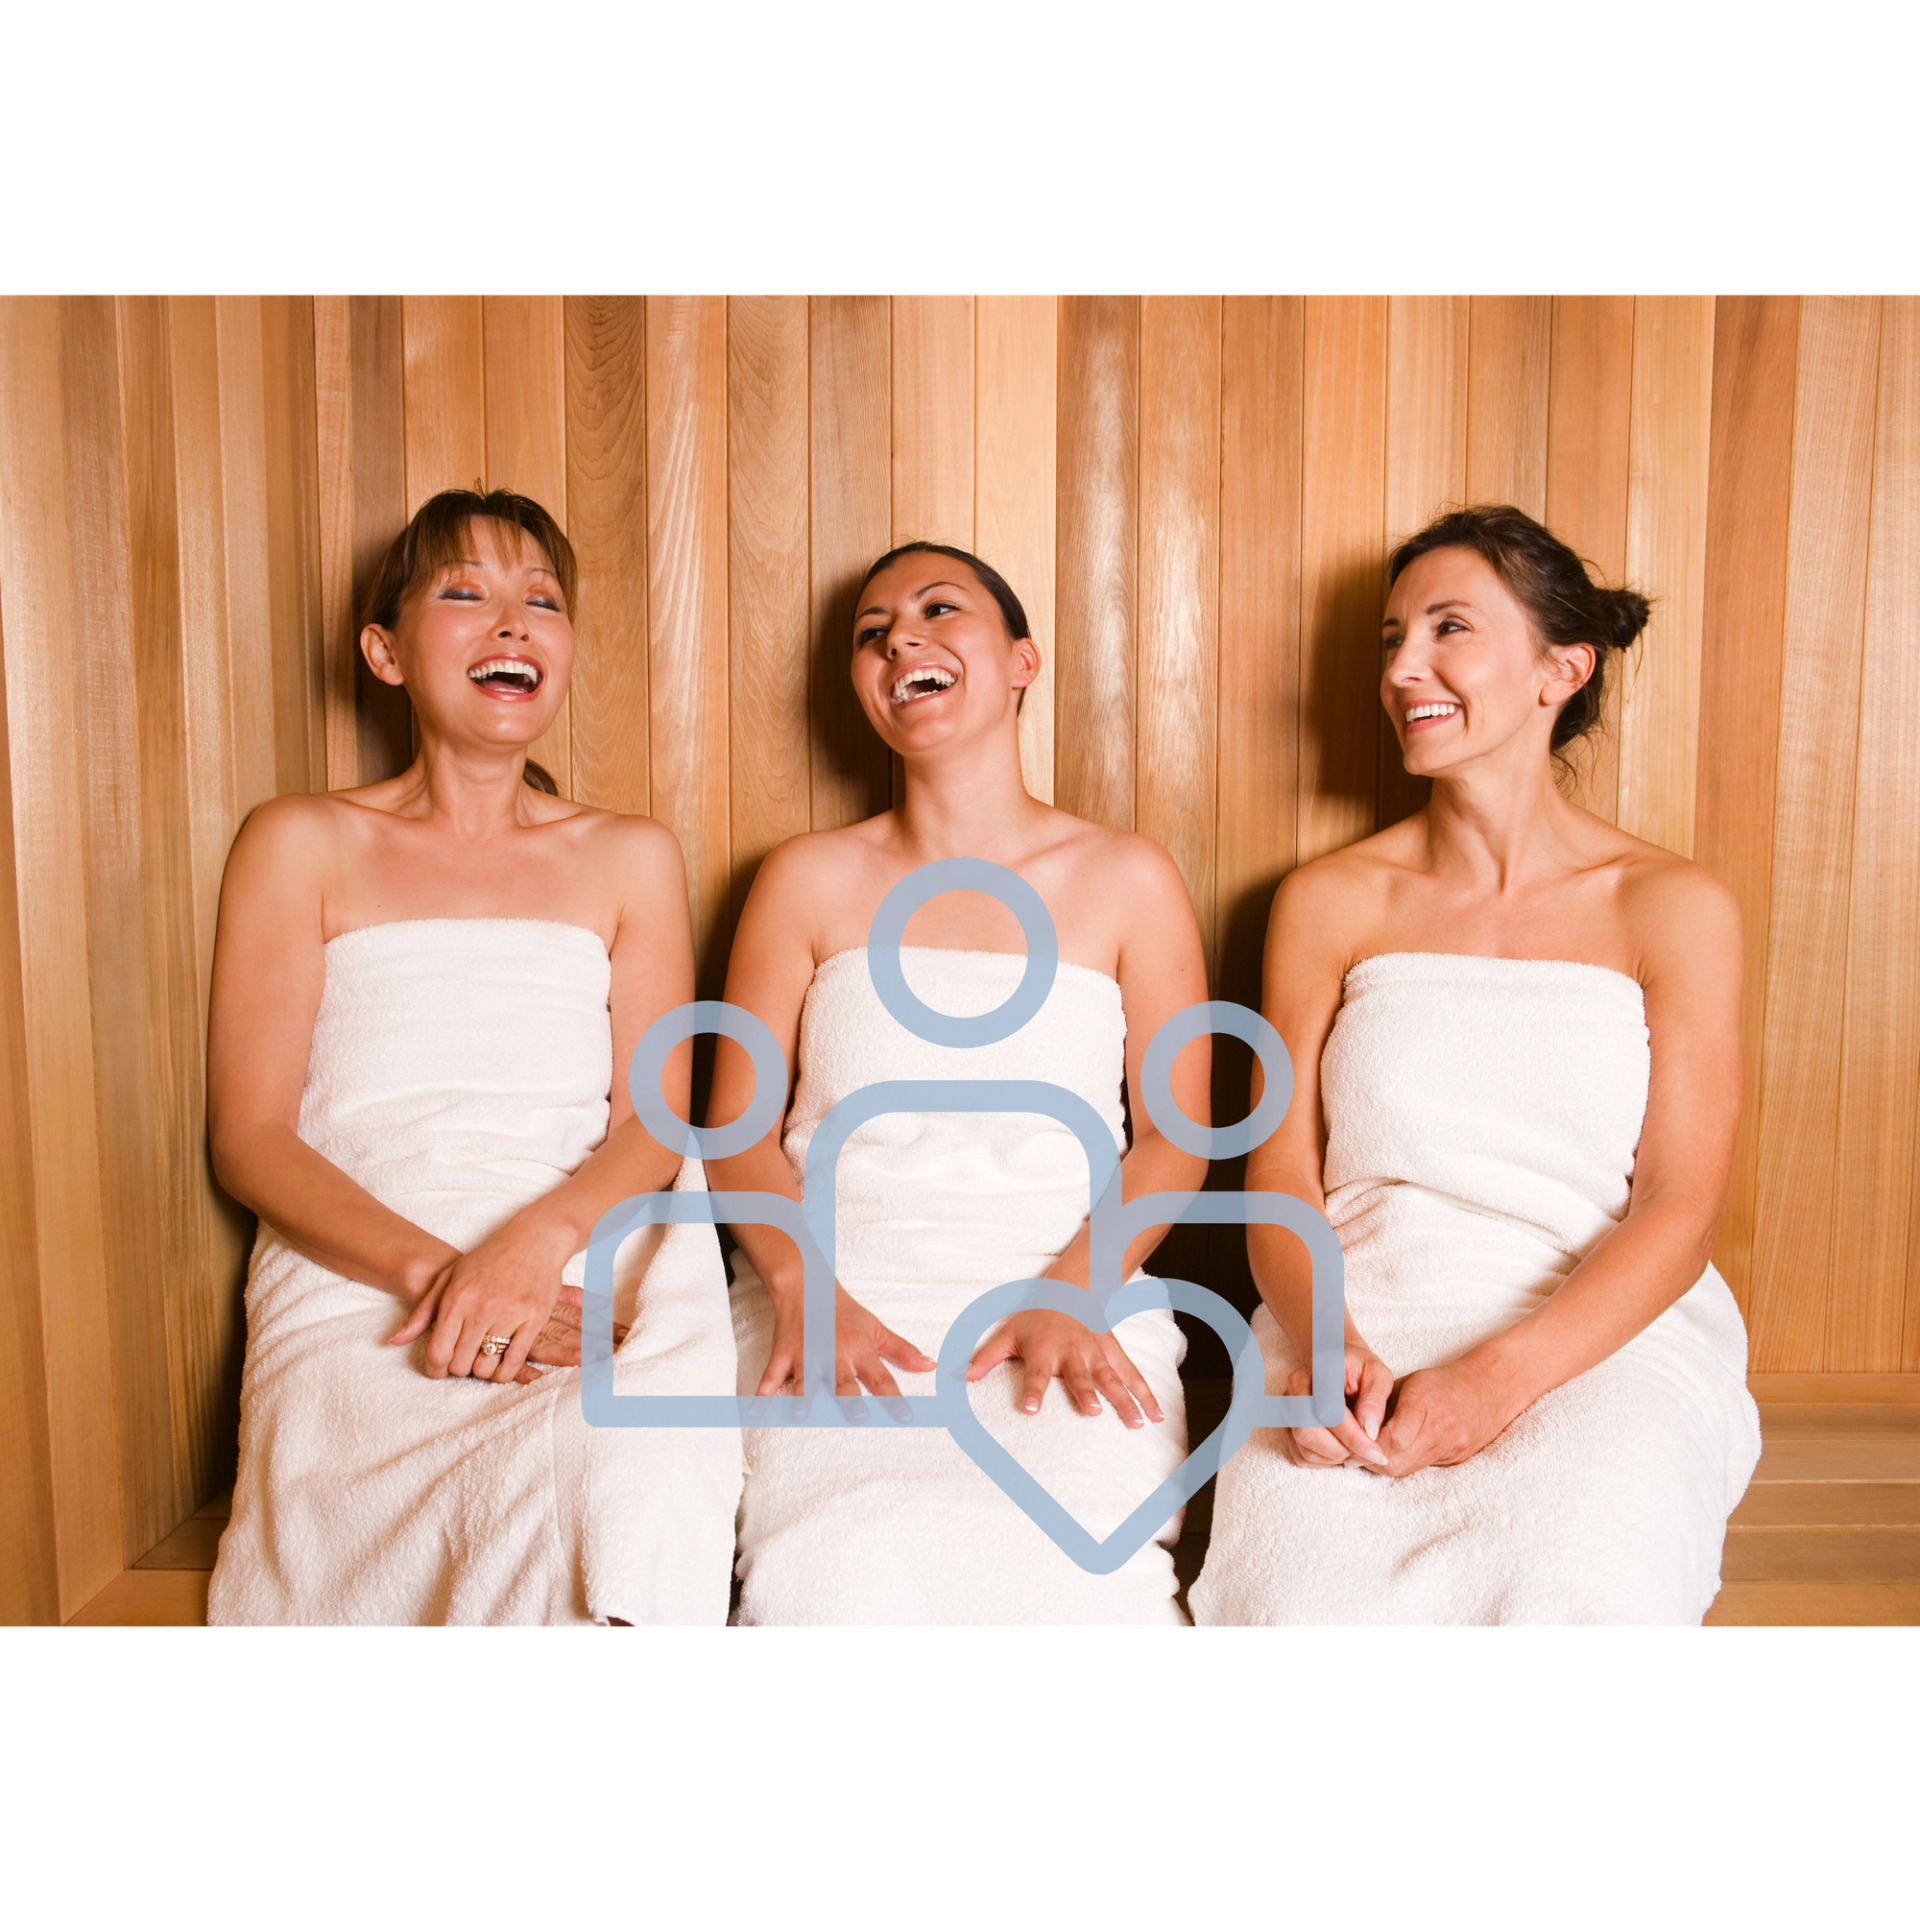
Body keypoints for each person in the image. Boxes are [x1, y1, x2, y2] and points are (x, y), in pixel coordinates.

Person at [1191, 505, 1761, 1631]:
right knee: (1298, 1604)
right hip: (1354, 1312)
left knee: (1576, 1587)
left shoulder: (1671, 907)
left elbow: (1680, 1205)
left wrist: (1497, 1381)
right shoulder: (1330, 902)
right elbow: (1280, 1175)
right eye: (1392, 639)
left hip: (1596, 1327)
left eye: (1448, 629)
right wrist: (1325, 1347)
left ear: (1562, 669)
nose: (1404, 668)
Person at [205, 489, 738, 1631]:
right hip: (359, 1267)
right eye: (465, 593)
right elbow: (249, 1137)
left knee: (622, 1467)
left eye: (541, 601)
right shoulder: (300, 841)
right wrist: (446, 1277)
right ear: (385, 652)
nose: (512, 623)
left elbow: (656, 1122)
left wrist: (532, 1252)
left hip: (582, 1244)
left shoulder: (629, 856)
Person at [707, 543, 1211, 1628]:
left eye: (940, 610)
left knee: (1079, 1572)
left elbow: (1179, 1138)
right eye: (873, 632)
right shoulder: (805, 879)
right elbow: (733, 1134)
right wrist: (807, 1292)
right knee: (836, 1578)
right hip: (838, 1282)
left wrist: (1073, 1288)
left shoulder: (1125, 877)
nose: (902, 639)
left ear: (1022, 661)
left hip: (1072, 1273)